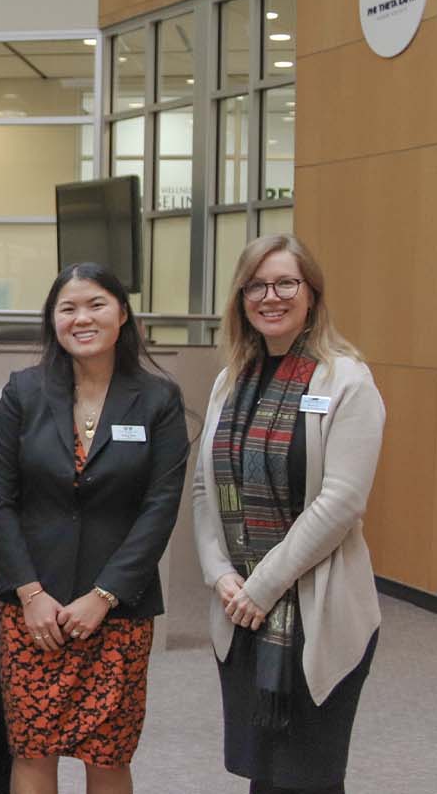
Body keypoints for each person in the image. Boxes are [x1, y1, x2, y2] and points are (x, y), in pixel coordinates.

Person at [0, 262, 189, 794]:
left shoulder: (159, 398)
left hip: (118, 610)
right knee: (32, 752)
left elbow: (160, 506)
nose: (82, 318)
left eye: (96, 304)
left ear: (123, 314)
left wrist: (104, 596)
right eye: (67, 308)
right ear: (52, 320)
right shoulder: (24, 391)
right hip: (35, 610)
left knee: (108, 756)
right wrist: (30, 594)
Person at [192, 234, 383, 794]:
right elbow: (205, 488)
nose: (269, 297)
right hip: (242, 611)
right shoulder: (232, 380)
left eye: (285, 283)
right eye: (255, 285)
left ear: (312, 294)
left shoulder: (347, 380)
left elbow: (341, 502)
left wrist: (263, 586)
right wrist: (219, 574)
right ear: (241, 298)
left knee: (309, 778)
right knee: (267, 777)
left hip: (318, 615)